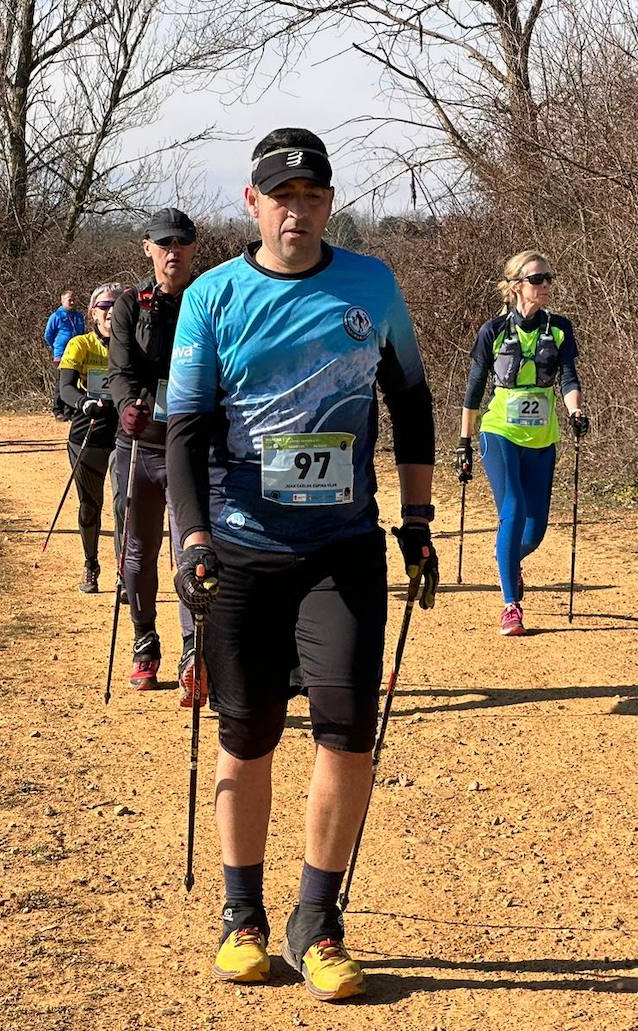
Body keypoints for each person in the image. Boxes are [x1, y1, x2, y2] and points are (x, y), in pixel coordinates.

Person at [166, 127, 439, 1000]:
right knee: (246, 736)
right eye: (282, 197)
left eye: (313, 196)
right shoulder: (213, 297)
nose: (299, 210)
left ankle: (318, 921)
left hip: (343, 546)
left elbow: (411, 399)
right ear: (252, 204)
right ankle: (241, 915)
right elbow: (185, 432)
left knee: (347, 728)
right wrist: (195, 538)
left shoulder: (372, 284)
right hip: (242, 549)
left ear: (329, 202)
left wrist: (419, 518)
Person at [456, 250, 588, 636]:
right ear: (516, 286)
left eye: (548, 278)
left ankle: (507, 557)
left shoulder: (560, 328)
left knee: (536, 530)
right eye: (536, 279)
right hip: (499, 432)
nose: (545, 285)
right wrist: (464, 441)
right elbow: (475, 389)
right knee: (512, 510)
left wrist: (576, 411)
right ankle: (511, 606)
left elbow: (567, 377)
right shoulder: (492, 331)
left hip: (541, 436)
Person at [108, 208, 199, 696]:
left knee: (194, 551)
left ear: (193, 248)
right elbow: (119, 369)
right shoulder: (130, 304)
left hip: (192, 446)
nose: (173, 251)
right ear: (148, 247)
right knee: (138, 555)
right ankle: (145, 642)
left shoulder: (211, 297)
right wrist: (126, 406)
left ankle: (193, 648)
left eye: (181, 243)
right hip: (140, 445)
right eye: (164, 243)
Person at [58, 284, 123, 592]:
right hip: (88, 431)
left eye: (117, 304)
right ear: (93, 312)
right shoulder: (80, 344)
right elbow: (66, 387)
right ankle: (90, 564)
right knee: (90, 505)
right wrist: (83, 402)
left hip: (124, 434)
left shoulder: (133, 344)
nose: (110, 310)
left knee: (126, 505)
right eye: (104, 305)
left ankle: (126, 574)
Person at [44, 290, 84, 420]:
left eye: (74, 299)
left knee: (75, 383)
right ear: (62, 301)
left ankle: (70, 411)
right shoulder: (56, 316)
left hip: (77, 355)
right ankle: (58, 410)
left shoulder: (79, 316)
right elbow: (48, 335)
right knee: (61, 383)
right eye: (69, 300)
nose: (72, 302)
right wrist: (56, 346)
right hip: (61, 355)